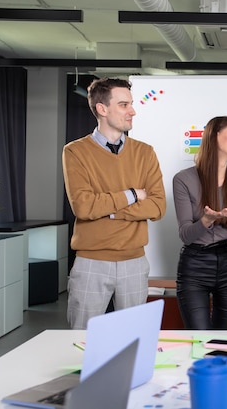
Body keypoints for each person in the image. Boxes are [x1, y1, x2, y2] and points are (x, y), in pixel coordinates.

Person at [62, 77, 166, 329]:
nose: (132, 111)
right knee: (80, 340)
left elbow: (158, 206)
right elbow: (84, 207)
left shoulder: (145, 152)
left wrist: (108, 211)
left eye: (130, 104)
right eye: (123, 105)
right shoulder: (75, 152)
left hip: (134, 261)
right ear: (102, 109)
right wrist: (131, 194)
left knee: (134, 339)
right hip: (91, 262)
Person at [173, 116, 227, 330]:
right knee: (200, 338)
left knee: (223, 338)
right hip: (196, 264)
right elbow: (185, 234)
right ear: (215, 136)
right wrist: (207, 220)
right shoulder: (183, 179)